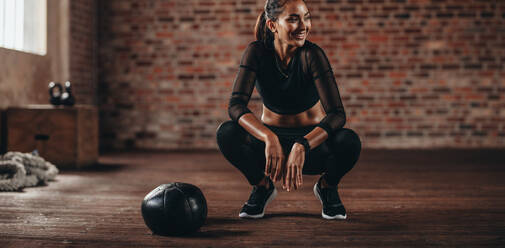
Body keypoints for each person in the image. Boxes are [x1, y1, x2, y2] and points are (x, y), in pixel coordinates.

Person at [216, 0, 361, 220]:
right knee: (226, 133)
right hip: (270, 148)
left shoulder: (313, 55)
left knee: (349, 141)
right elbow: (235, 106)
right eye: (293, 19)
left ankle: (327, 187)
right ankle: (262, 187)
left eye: (307, 17)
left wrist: (303, 144)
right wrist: (268, 137)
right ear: (273, 25)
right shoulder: (256, 52)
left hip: (311, 146)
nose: (304, 26)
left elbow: (337, 114)